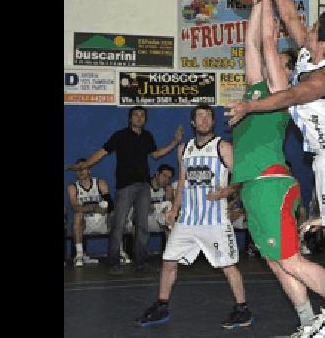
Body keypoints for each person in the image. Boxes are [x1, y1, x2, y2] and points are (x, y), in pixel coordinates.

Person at [217, 0, 325, 337]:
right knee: (280, 258)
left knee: (322, 240)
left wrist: (252, 108)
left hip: (321, 161)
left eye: (314, 29)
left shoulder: (312, 81)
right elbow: (275, 28)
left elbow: (280, 72)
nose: (306, 30)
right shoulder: (295, 64)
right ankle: (315, 317)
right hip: (299, 166)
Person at [133, 103, 253, 330]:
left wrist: (225, 192)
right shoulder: (184, 149)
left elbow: (240, 177)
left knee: (228, 266)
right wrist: (174, 209)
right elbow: (182, 183)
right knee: (168, 261)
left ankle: (242, 309)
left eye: (208, 116)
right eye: (200, 116)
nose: (204, 120)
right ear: (193, 122)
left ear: (213, 122)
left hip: (215, 221)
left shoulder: (223, 146)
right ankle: (162, 306)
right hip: (188, 220)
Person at [68, 106, 182, 274]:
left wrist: (175, 141)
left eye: (142, 115)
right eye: (136, 115)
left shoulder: (147, 136)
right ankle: (113, 264)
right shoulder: (120, 136)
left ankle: (140, 263)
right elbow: (101, 152)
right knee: (118, 225)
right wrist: (85, 165)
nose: (139, 117)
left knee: (142, 227)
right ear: (130, 119)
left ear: (145, 119)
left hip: (144, 187)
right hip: (125, 187)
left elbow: (156, 155)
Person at [67, 158, 110, 267]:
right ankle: (80, 254)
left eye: (84, 168)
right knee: (78, 215)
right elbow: (75, 207)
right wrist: (94, 207)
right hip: (84, 224)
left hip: (102, 221)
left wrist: (103, 208)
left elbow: (110, 204)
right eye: (78, 169)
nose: (80, 171)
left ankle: (120, 252)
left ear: (89, 171)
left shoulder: (100, 183)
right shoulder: (73, 187)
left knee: (114, 214)